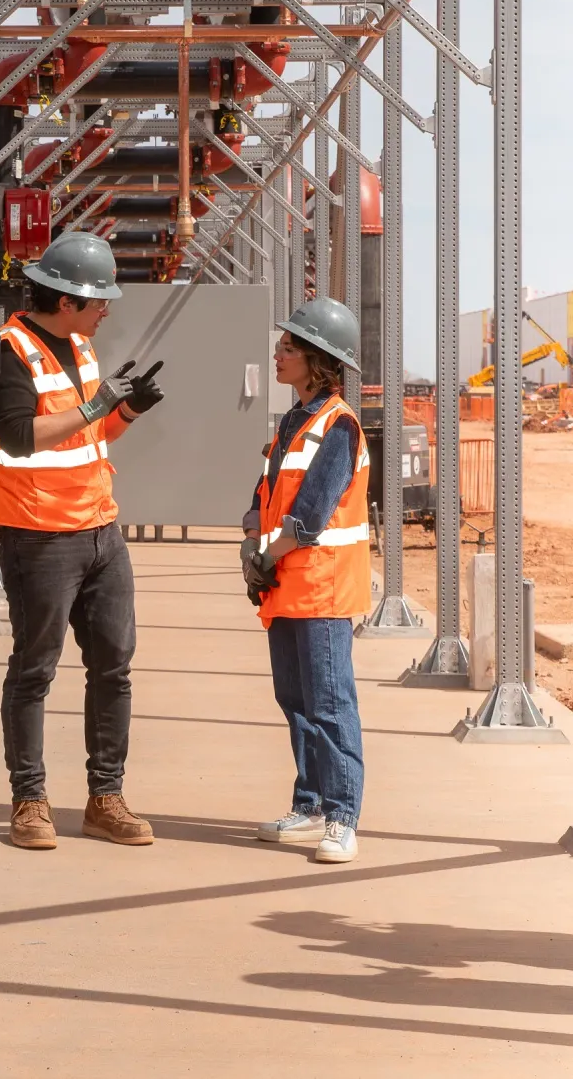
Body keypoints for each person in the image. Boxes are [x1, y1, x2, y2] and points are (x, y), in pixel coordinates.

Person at [0, 231, 166, 851]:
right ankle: (29, 802)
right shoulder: (8, 350)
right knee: (34, 671)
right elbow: (20, 438)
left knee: (114, 665)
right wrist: (94, 408)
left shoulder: (80, 347)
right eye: (98, 299)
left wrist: (125, 410)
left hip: (100, 527)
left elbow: (87, 438)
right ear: (66, 299)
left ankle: (105, 798)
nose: (107, 309)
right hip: (39, 536)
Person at [242, 297, 369, 864]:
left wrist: (266, 556)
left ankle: (342, 817)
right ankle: (311, 803)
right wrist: (252, 543)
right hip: (285, 585)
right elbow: (264, 497)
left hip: (319, 587)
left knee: (329, 702)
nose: (278, 353)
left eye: (288, 347)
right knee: (294, 699)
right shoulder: (293, 421)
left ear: (317, 360)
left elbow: (310, 517)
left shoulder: (338, 426)